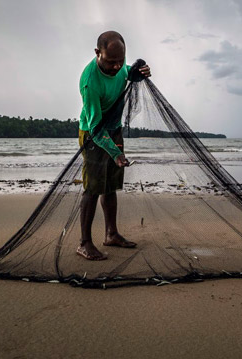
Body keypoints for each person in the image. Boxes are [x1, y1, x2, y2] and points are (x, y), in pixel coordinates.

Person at [76, 30, 150, 261]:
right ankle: (84, 243)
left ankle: (111, 234)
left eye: (121, 60)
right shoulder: (90, 82)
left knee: (111, 185)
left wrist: (138, 71)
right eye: (111, 62)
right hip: (93, 134)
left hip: (114, 130)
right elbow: (96, 128)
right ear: (98, 53)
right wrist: (115, 152)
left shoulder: (120, 66)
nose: (117, 67)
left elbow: (127, 73)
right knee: (93, 187)